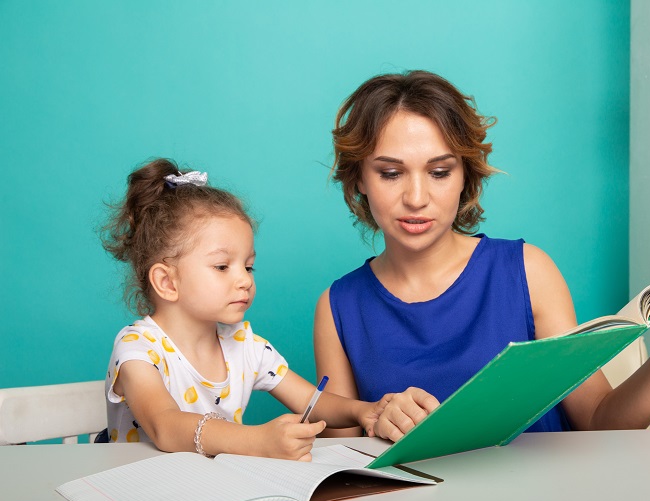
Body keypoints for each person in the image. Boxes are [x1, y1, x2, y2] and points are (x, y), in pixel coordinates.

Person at [314, 70, 650, 440]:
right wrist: (377, 419)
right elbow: (344, 467)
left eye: (439, 172)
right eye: (390, 173)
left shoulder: (528, 271)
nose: (416, 198)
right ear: (360, 181)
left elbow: (602, 422)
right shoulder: (338, 306)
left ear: (465, 176)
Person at [99, 158, 423, 460]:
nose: (244, 280)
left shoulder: (246, 347)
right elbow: (165, 426)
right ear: (167, 282)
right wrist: (258, 441)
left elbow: (314, 401)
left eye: (249, 267)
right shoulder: (138, 349)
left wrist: (364, 411)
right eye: (223, 266)